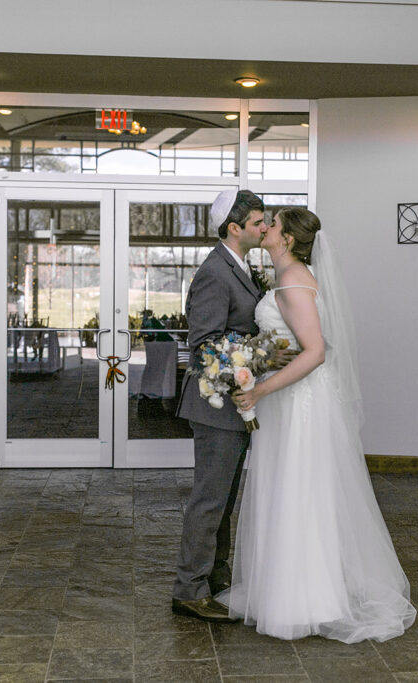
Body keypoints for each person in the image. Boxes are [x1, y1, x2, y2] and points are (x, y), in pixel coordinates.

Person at [228, 208, 417, 643]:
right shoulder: (290, 277)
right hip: (292, 402)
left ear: (288, 239)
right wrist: (256, 361)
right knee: (295, 489)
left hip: (299, 406)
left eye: (272, 224)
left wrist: (260, 390)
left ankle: (305, 599)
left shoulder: (294, 282)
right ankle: (291, 589)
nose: (266, 229)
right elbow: (296, 344)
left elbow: (315, 352)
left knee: (300, 490)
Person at [171, 189, 266, 622]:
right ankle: (189, 588)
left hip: (234, 407)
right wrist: (255, 360)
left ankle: (215, 577)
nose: (264, 228)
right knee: (209, 501)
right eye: (258, 223)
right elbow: (204, 346)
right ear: (235, 228)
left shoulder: (241, 267)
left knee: (224, 499)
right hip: (216, 407)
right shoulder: (215, 272)